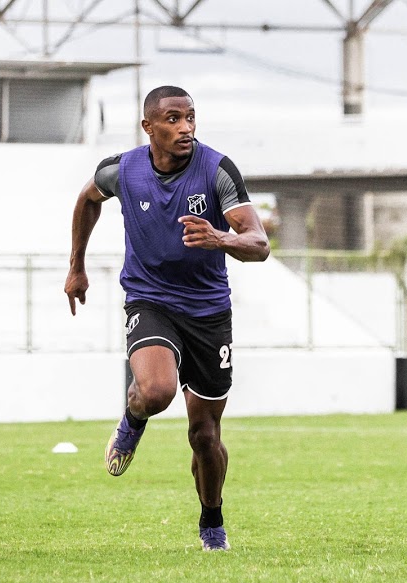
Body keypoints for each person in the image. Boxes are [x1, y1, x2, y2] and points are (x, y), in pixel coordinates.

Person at [64, 85, 270, 551]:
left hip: (209, 312)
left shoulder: (217, 170)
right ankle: (133, 418)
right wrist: (76, 265)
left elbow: (259, 243)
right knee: (155, 392)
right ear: (149, 127)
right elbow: (87, 200)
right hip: (150, 299)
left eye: (191, 118)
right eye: (174, 119)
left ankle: (212, 522)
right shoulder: (123, 169)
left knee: (204, 435)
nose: (186, 128)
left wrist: (220, 238)